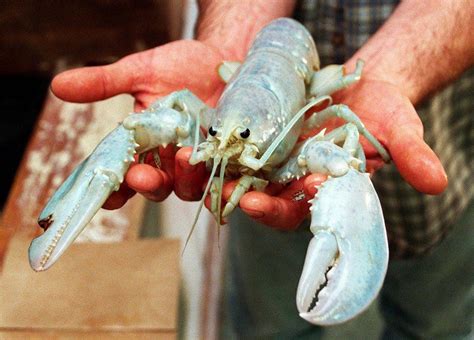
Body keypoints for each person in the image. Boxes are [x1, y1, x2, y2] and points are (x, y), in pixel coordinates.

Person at [51, 0, 473, 338]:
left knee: (434, 325)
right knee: (267, 324)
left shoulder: (310, 131)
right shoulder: (213, 125)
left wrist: (398, 70)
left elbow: (345, 122)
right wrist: (229, 35)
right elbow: (167, 114)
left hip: (447, 156)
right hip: (260, 209)